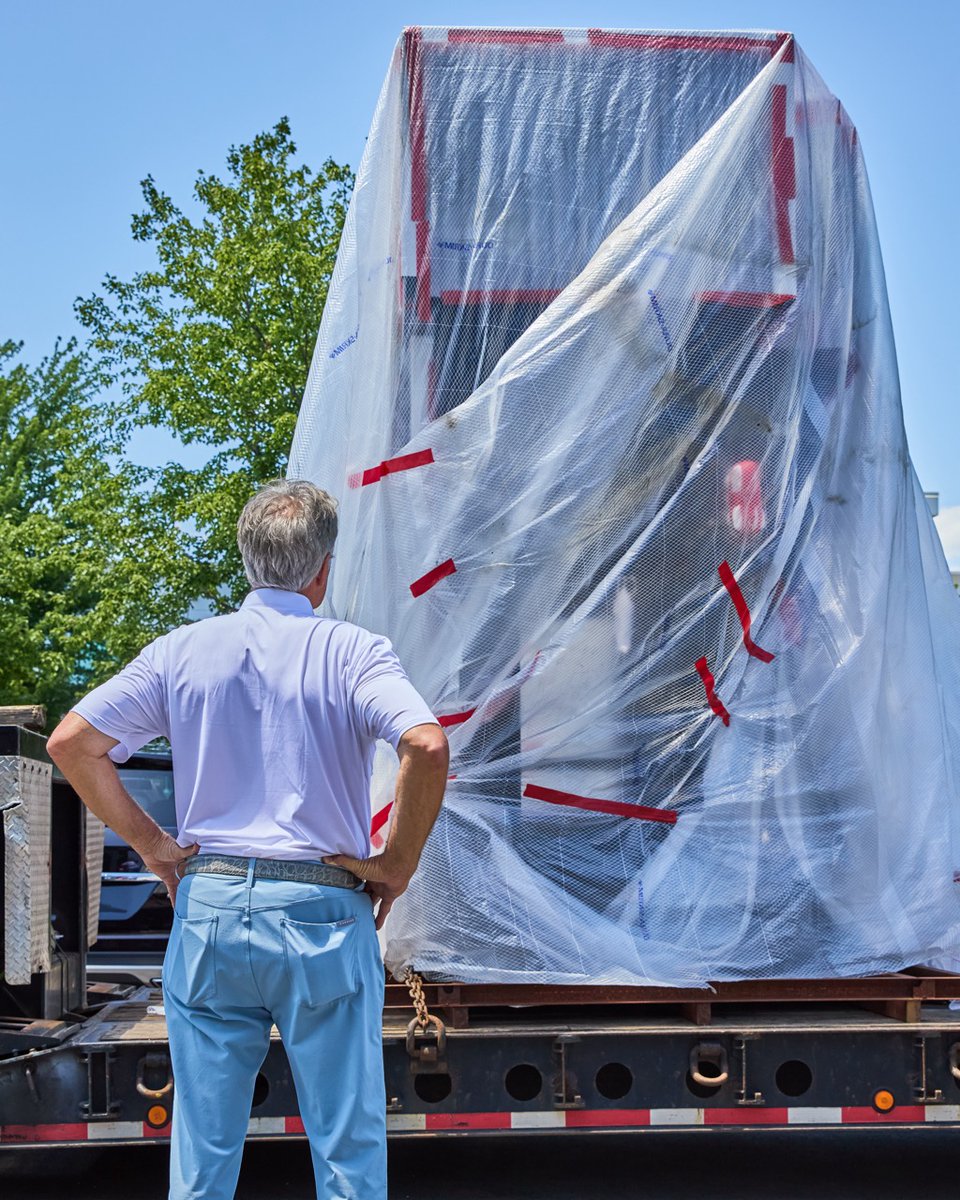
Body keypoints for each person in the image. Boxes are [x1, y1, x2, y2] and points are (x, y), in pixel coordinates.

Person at [48, 479, 449, 1200]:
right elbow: (425, 744)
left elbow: (73, 742)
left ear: (245, 560)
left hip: (211, 906)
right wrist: (396, 863)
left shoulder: (182, 652)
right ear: (322, 569)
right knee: (346, 1152)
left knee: (202, 1155)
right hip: (321, 910)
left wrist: (154, 846)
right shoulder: (355, 652)